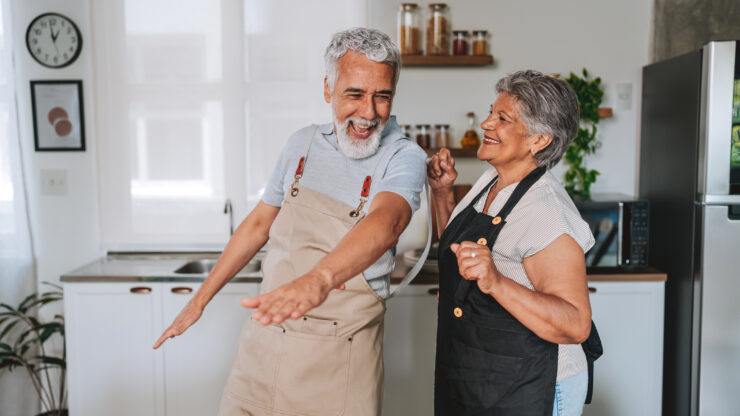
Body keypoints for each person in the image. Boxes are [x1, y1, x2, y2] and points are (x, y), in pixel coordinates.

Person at [153, 28, 427, 416]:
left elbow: (386, 223)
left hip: (338, 360)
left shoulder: (403, 157)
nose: (369, 113)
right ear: (328, 89)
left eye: (382, 96)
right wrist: (199, 300)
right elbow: (258, 224)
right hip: (262, 349)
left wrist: (318, 279)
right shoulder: (301, 144)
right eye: (355, 94)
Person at [427, 70, 597, 416]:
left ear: (539, 140)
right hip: (480, 375)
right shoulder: (490, 180)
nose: (487, 123)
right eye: (492, 112)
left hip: (535, 384)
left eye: (502, 118)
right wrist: (442, 194)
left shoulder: (547, 212)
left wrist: (497, 282)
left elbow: (576, 323)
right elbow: (463, 255)